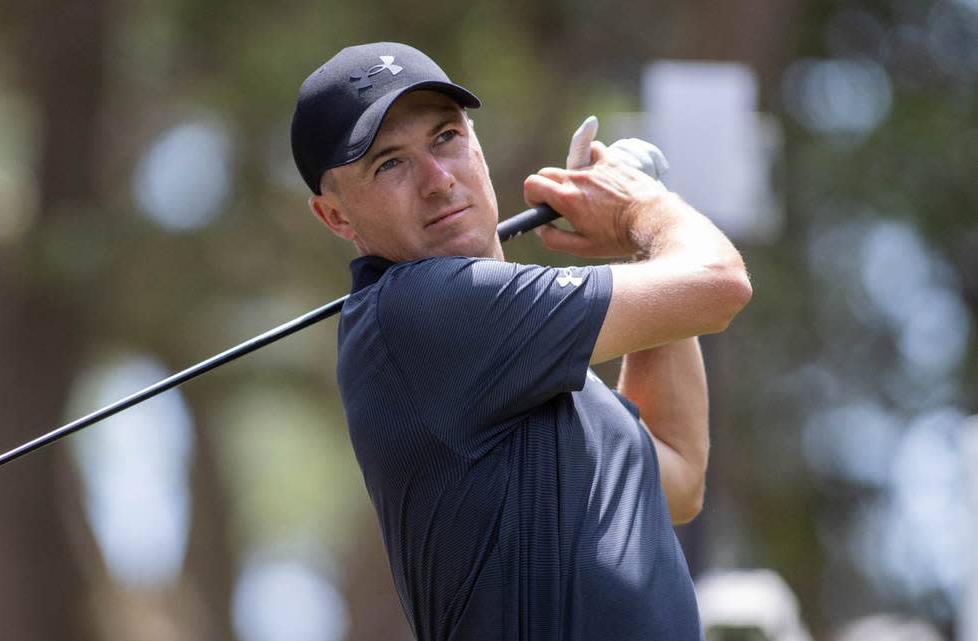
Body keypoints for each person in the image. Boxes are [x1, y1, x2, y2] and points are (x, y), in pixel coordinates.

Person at [290, 42, 751, 641]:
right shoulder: (416, 309)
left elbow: (677, 474)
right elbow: (719, 284)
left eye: (445, 138)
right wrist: (643, 209)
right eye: (389, 164)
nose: (437, 180)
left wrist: (637, 244)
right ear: (337, 217)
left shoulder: (536, 365)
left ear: (476, 144)